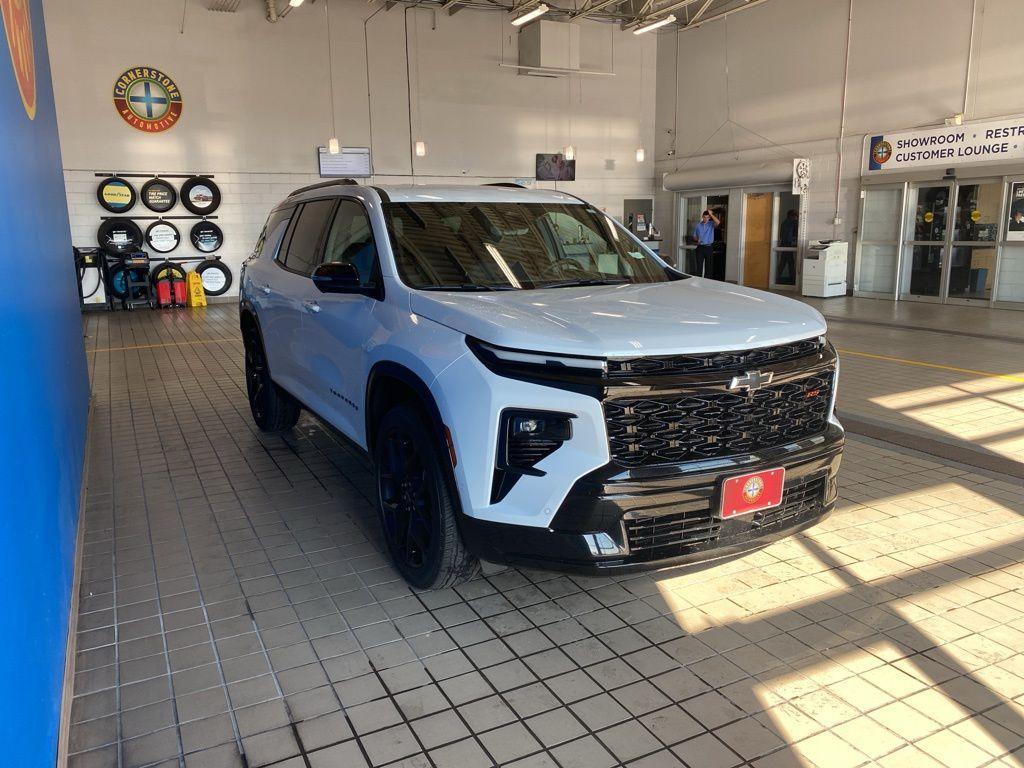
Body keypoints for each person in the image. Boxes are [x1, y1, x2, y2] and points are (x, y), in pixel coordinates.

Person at [692, 209, 720, 278]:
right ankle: (698, 282)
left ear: (709, 218)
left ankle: (707, 282)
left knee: (708, 268)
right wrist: (697, 239)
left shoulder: (711, 224)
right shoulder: (698, 225)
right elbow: (694, 236)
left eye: (707, 217)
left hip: (709, 248)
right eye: (704, 217)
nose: (706, 219)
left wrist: (711, 214)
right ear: (702, 216)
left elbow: (718, 222)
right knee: (699, 267)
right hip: (700, 248)